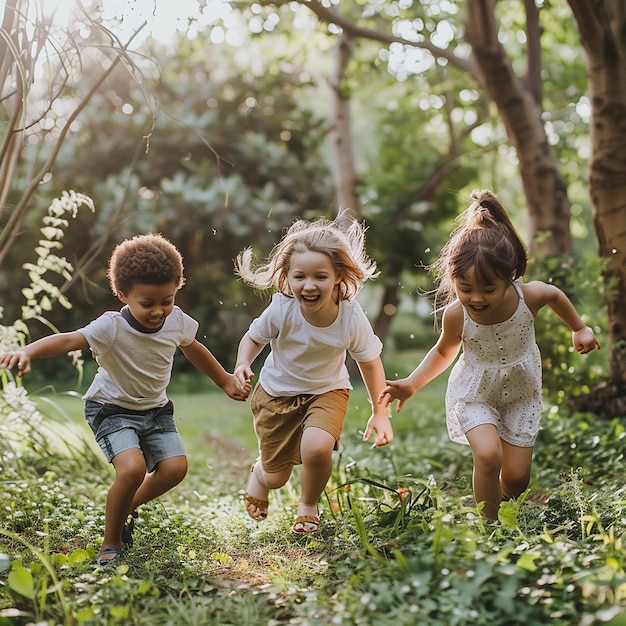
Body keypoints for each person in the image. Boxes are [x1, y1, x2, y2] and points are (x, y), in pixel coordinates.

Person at [0, 233, 251, 565]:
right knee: (131, 469)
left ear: (177, 287)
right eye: (147, 303)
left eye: (167, 300)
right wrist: (27, 351)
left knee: (176, 468)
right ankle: (111, 540)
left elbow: (194, 348)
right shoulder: (111, 327)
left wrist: (225, 381)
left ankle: (126, 506)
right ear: (122, 294)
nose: (158, 311)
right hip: (110, 408)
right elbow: (68, 341)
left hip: (155, 409)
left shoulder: (176, 321)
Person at [378, 190, 600, 521]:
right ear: (453, 280)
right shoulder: (457, 314)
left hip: (521, 394)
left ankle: (501, 499)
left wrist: (579, 328)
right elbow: (443, 350)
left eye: (488, 289)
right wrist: (411, 384)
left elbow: (555, 294)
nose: (476, 298)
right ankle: (489, 522)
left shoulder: (528, 297)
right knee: (488, 454)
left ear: (510, 276)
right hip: (475, 393)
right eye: (465, 289)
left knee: (516, 478)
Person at [233, 215, 393, 533]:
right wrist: (242, 364)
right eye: (299, 276)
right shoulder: (282, 308)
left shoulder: (350, 316)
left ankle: (308, 506)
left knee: (317, 447)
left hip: (327, 390)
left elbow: (371, 362)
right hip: (276, 393)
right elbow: (254, 338)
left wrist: (380, 412)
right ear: (288, 278)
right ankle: (261, 473)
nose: (308, 285)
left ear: (338, 276)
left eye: (320, 276)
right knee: (277, 477)